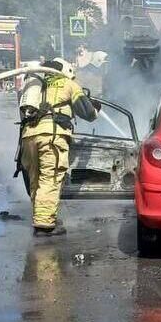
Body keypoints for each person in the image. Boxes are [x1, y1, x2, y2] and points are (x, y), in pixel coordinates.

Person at [16, 58, 98, 235]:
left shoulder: (35, 85)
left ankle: (42, 218)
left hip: (28, 136)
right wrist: (95, 108)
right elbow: (88, 112)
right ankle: (44, 226)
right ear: (66, 70)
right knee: (50, 179)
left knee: (35, 180)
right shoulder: (68, 84)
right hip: (51, 136)